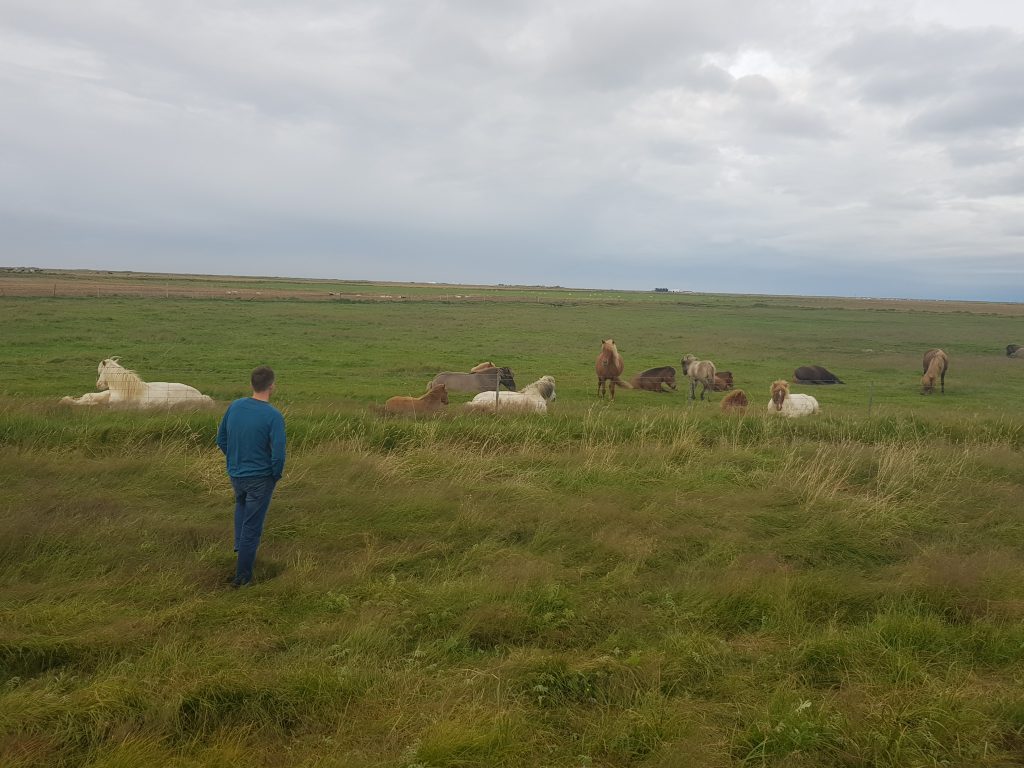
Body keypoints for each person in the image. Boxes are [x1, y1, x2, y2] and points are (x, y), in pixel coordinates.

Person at [216, 365, 286, 588]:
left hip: (236, 475)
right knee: (252, 528)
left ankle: (241, 549)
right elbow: (278, 455)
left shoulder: (235, 406)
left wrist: (234, 460)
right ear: (272, 386)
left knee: (241, 507)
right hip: (260, 478)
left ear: (251, 384)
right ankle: (243, 578)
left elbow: (221, 439)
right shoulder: (274, 416)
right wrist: (274, 476)